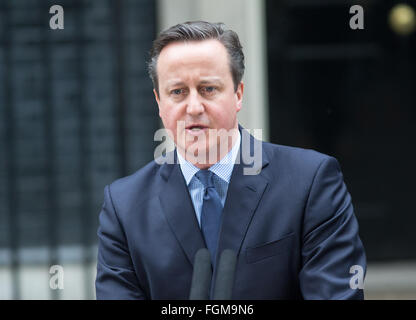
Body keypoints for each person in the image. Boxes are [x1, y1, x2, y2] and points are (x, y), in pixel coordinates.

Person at [95, 21, 366, 299]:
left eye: (208, 89)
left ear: (238, 94)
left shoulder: (310, 183)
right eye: (177, 92)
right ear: (159, 103)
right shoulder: (124, 207)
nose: (194, 107)